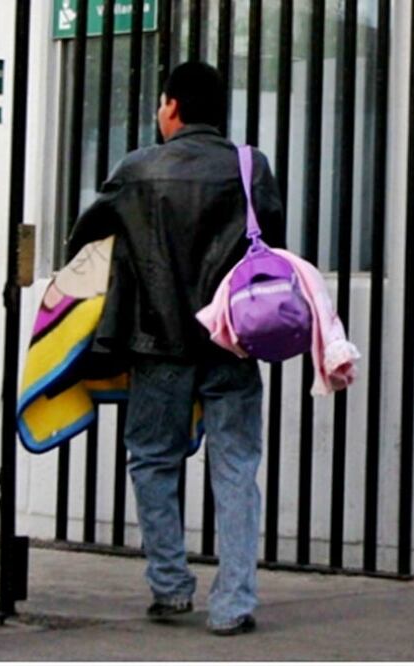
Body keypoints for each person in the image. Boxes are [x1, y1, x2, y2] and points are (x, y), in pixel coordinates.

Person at [66, 61, 285, 636]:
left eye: (161, 104)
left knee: (152, 460)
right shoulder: (251, 167)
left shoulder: (139, 169)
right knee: (236, 468)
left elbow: (83, 237)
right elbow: (273, 244)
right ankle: (233, 604)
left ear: (172, 107)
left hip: (157, 342)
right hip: (232, 340)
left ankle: (169, 585)